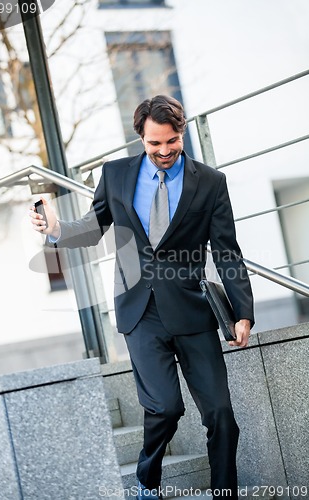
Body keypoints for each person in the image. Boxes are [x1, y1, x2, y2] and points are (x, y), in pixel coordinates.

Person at [30, 95, 254, 499]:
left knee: (221, 415)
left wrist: (243, 313)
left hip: (192, 312)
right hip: (140, 312)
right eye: (154, 144)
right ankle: (146, 483)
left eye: (171, 141)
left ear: (182, 133)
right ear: (140, 138)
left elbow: (226, 251)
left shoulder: (210, 182)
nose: (164, 151)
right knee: (165, 408)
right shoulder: (115, 175)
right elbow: (93, 227)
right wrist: (55, 228)